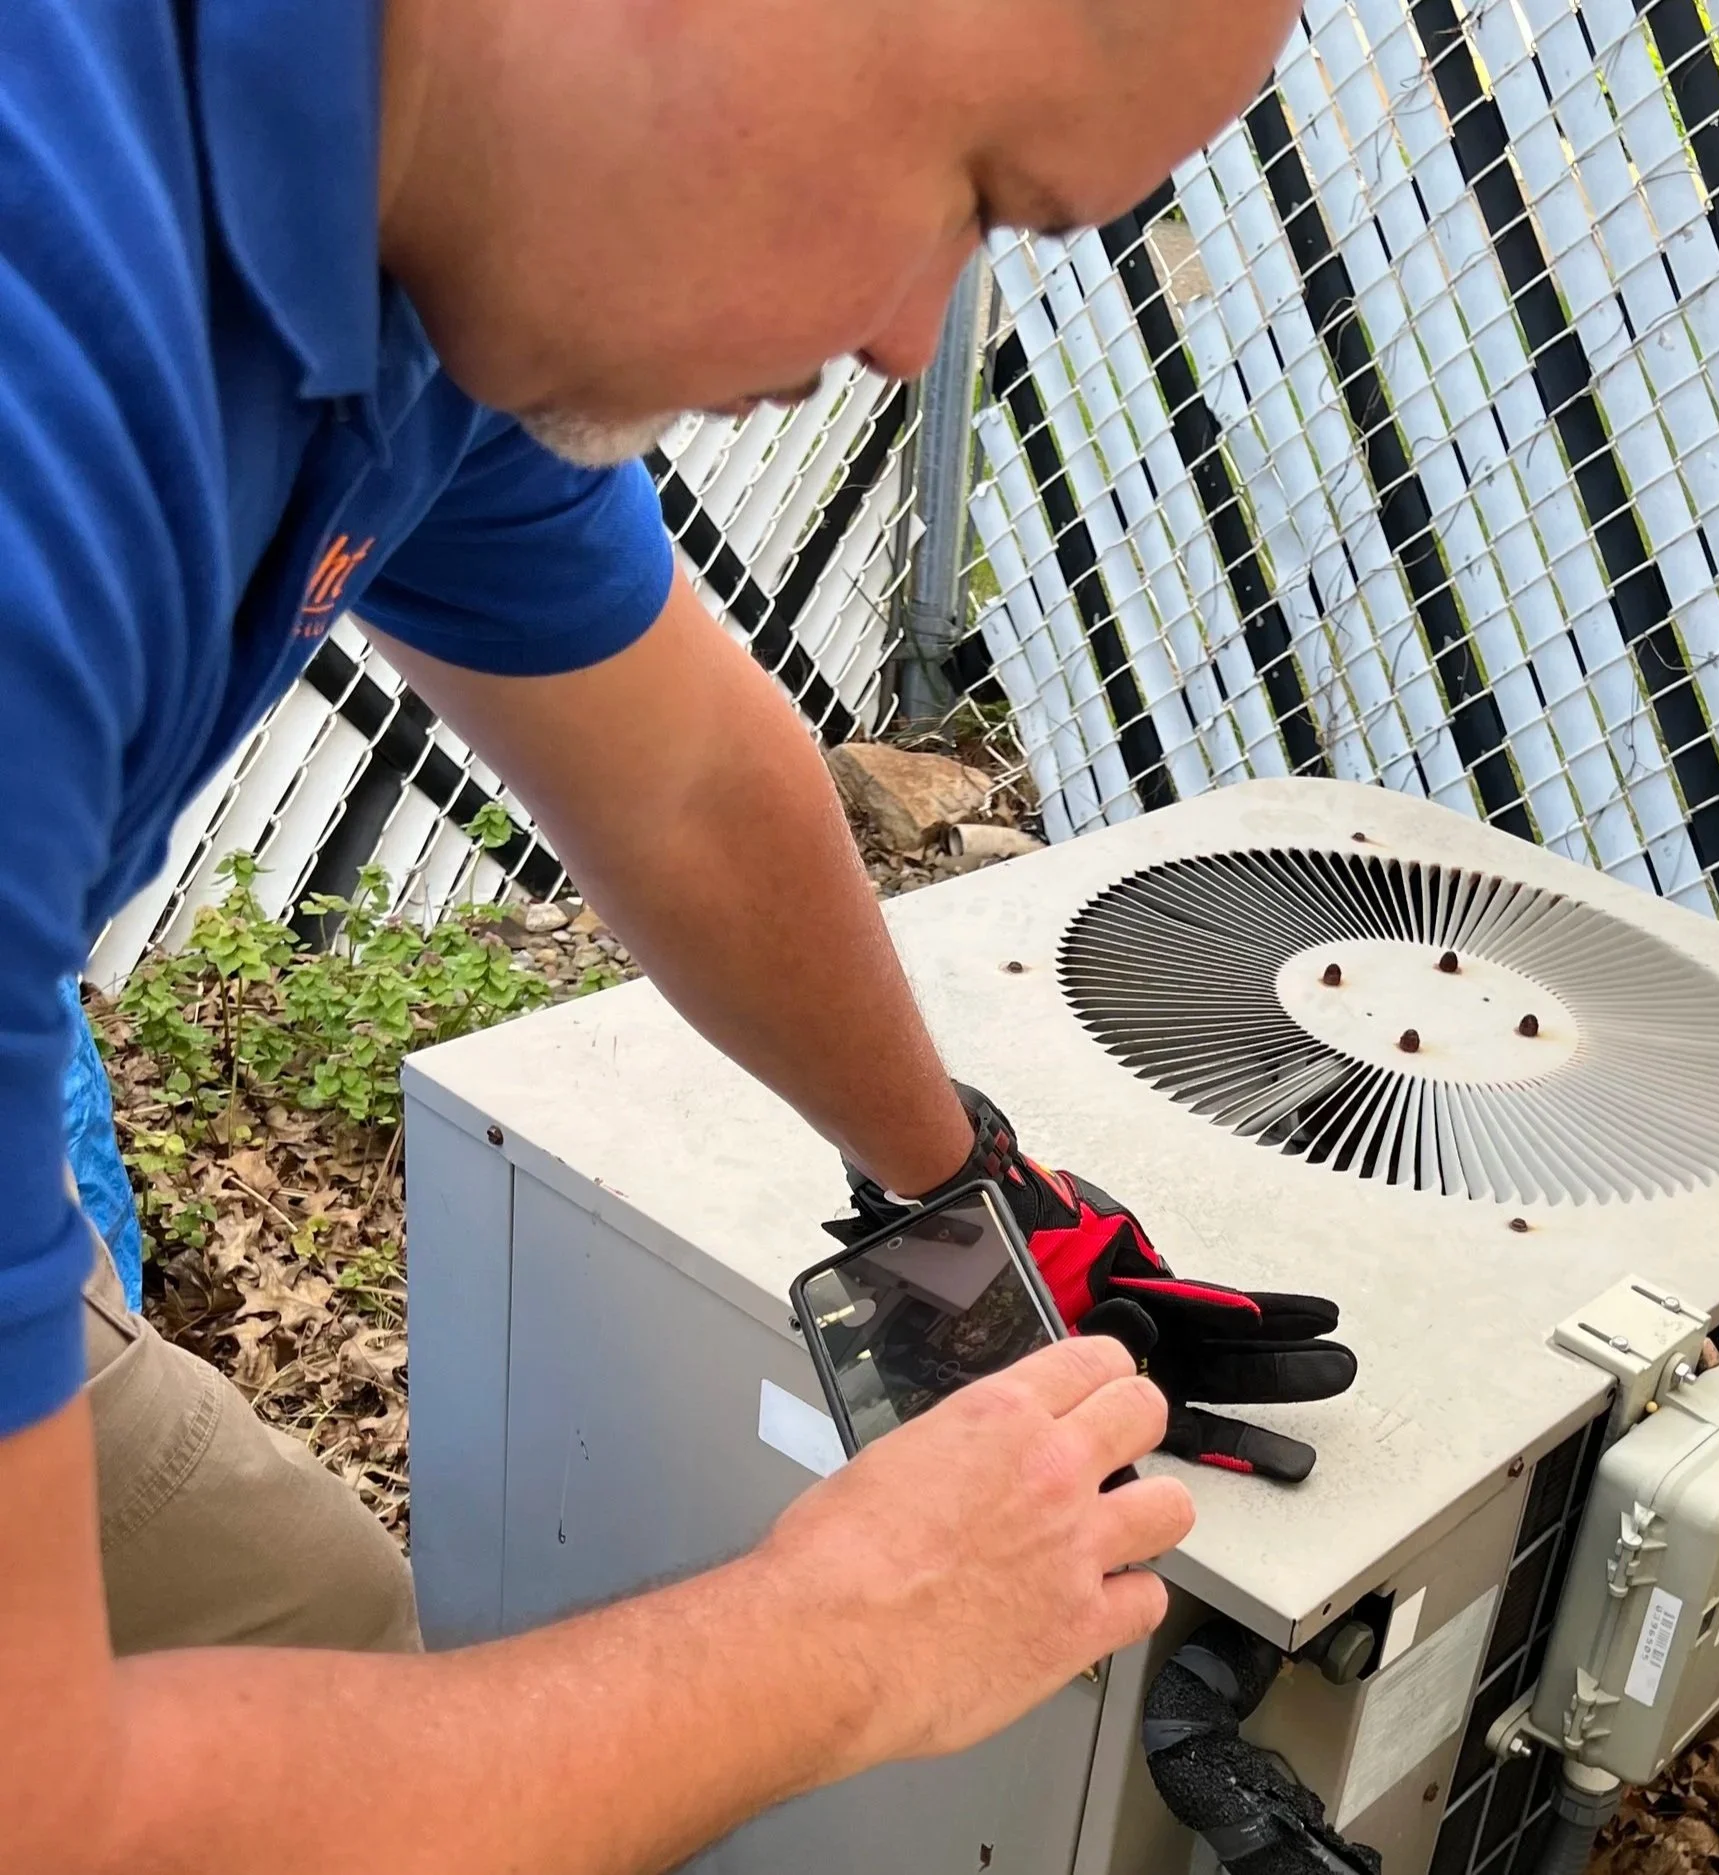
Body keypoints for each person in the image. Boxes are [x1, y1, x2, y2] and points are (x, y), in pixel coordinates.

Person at [0, 0, 1350, 1869]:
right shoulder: (42, 380)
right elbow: (53, 1808)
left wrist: (958, 1187)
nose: (903, 340)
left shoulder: (434, 232)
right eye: (971, 193)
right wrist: (842, 1640)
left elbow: (688, 790)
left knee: (299, 1612)